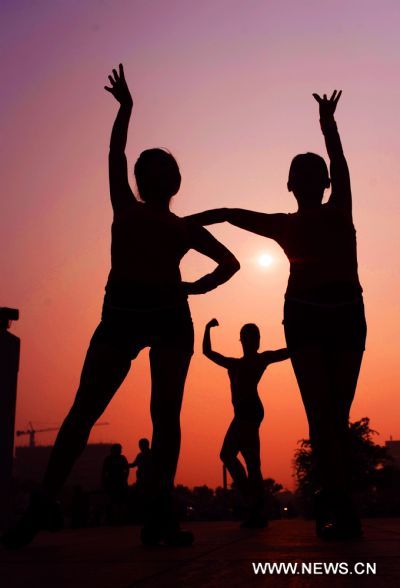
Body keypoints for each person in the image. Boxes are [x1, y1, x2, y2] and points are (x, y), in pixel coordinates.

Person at [2, 64, 240, 549]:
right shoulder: (134, 211)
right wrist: (126, 109)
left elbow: (230, 263)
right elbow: (115, 153)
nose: (153, 175)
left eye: (159, 170)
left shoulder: (176, 226)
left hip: (165, 317)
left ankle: (158, 517)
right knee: (88, 411)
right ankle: (48, 503)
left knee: (159, 416)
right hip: (128, 316)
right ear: (151, 181)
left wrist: (192, 290)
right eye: (149, 170)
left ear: (170, 181)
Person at [188, 91, 366, 539]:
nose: (309, 182)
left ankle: (336, 498)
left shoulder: (327, 209)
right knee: (327, 415)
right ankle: (335, 498)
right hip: (315, 315)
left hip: (338, 312)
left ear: (318, 185)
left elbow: (230, 214)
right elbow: (231, 215)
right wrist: (189, 222)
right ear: (294, 186)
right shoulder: (300, 218)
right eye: (303, 176)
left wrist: (328, 125)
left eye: (313, 176)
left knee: (331, 414)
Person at [203, 318, 288, 527]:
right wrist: (207, 330)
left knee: (235, 457)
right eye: (247, 338)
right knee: (246, 460)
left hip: (248, 412)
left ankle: (254, 505)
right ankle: (255, 506)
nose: (250, 342)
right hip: (246, 412)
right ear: (242, 341)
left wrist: (291, 326)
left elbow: (289, 351)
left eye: (253, 338)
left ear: (256, 341)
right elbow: (209, 353)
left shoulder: (259, 360)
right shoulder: (235, 364)